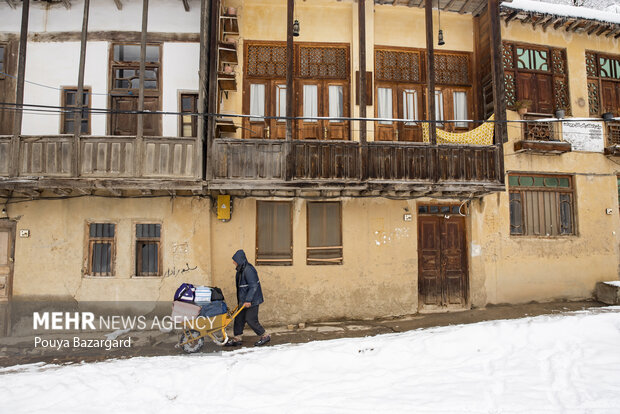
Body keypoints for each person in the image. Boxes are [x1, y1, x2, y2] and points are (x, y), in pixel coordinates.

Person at [226, 249, 270, 347]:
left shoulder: (248, 270)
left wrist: (248, 300)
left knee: (251, 319)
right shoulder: (240, 270)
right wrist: (242, 301)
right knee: (239, 318)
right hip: (244, 300)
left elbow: (253, 286)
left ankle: (265, 335)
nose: (233, 262)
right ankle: (237, 338)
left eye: (235, 260)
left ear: (240, 260)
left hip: (252, 300)